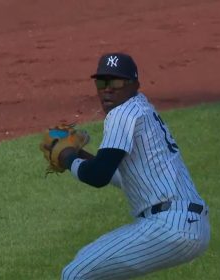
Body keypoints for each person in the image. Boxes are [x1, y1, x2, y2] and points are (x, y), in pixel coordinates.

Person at [58, 52, 210, 279]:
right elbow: (117, 174)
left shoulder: (123, 113)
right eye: (102, 82)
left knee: (75, 274)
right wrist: (79, 155)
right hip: (189, 224)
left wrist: (67, 157)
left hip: (170, 225)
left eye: (117, 82)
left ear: (134, 84)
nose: (108, 89)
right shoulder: (141, 108)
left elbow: (98, 176)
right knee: (87, 260)